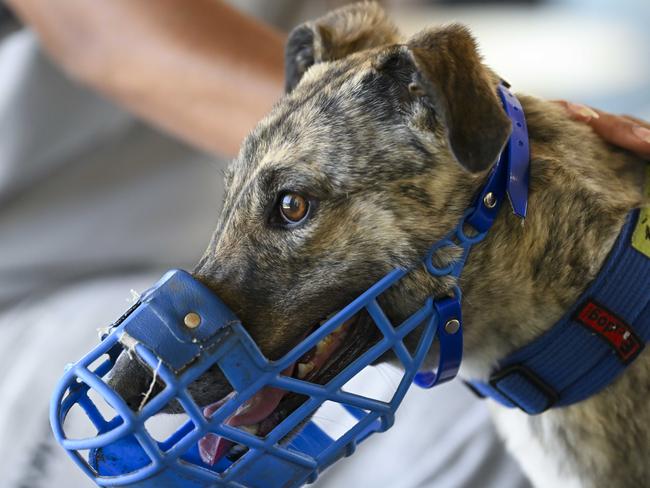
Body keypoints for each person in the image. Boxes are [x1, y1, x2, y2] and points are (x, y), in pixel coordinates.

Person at [0, 2, 647, 487]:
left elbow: (364, 32)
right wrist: (353, 118)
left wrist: (495, 120)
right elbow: (107, 36)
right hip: (37, 285)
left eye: (291, 206)